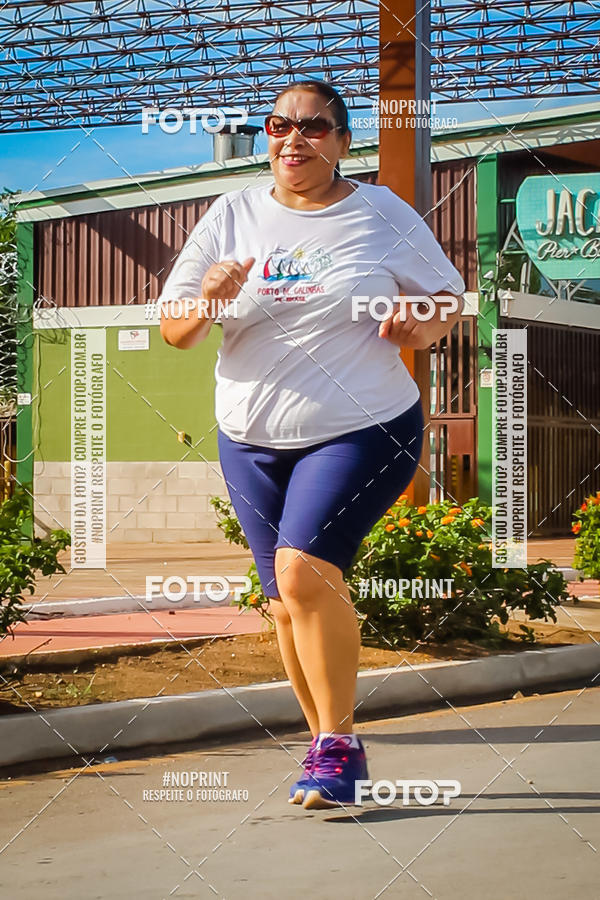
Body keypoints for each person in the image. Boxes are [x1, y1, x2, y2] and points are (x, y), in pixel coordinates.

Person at [158, 80, 465, 810]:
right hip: (250, 437)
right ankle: (328, 747)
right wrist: (208, 296)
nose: (294, 139)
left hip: (365, 425)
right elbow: (175, 329)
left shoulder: (379, 211)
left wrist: (418, 323)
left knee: (303, 573)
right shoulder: (231, 215)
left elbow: (445, 299)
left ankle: (337, 749)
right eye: (278, 126)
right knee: (285, 600)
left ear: (342, 142)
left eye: (315, 127)